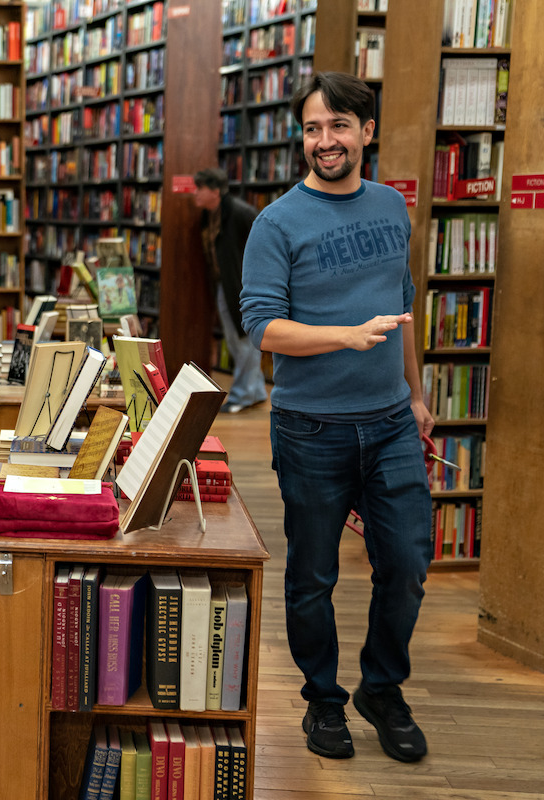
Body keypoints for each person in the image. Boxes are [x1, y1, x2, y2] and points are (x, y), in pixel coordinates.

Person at [240, 71, 433, 764]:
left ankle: (383, 688)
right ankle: (323, 701)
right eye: (314, 128)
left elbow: (404, 305)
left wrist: (414, 394)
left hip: (389, 424)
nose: (326, 141)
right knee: (312, 578)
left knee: (408, 563)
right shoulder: (276, 223)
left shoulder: (390, 206)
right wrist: (345, 336)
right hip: (311, 428)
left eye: (339, 126)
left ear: (366, 132)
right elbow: (262, 328)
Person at [192, 167, 265, 413]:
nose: (195, 195)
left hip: (242, 286)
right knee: (236, 341)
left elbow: (264, 242)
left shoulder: (239, 213)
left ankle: (242, 395)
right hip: (224, 284)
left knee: (244, 339)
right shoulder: (209, 214)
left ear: (214, 191)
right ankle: (255, 391)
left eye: (200, 189)